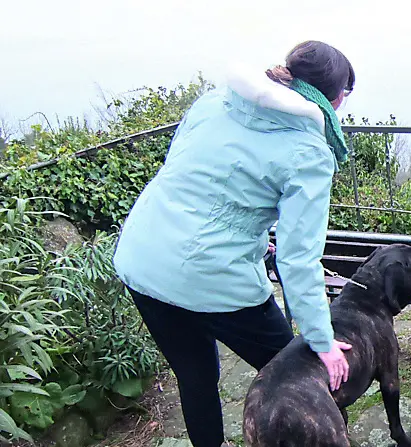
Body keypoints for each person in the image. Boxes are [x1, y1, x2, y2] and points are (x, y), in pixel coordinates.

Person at [112, 40, 356, 447]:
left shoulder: (214, 103)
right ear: (337, 97)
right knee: (300, 376)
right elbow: (299, 260)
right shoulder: (309, 151)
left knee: (195, 378)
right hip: (212, 277)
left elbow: (206, 187)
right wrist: (322, 340)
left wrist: (254, 241)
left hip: (143, 258)